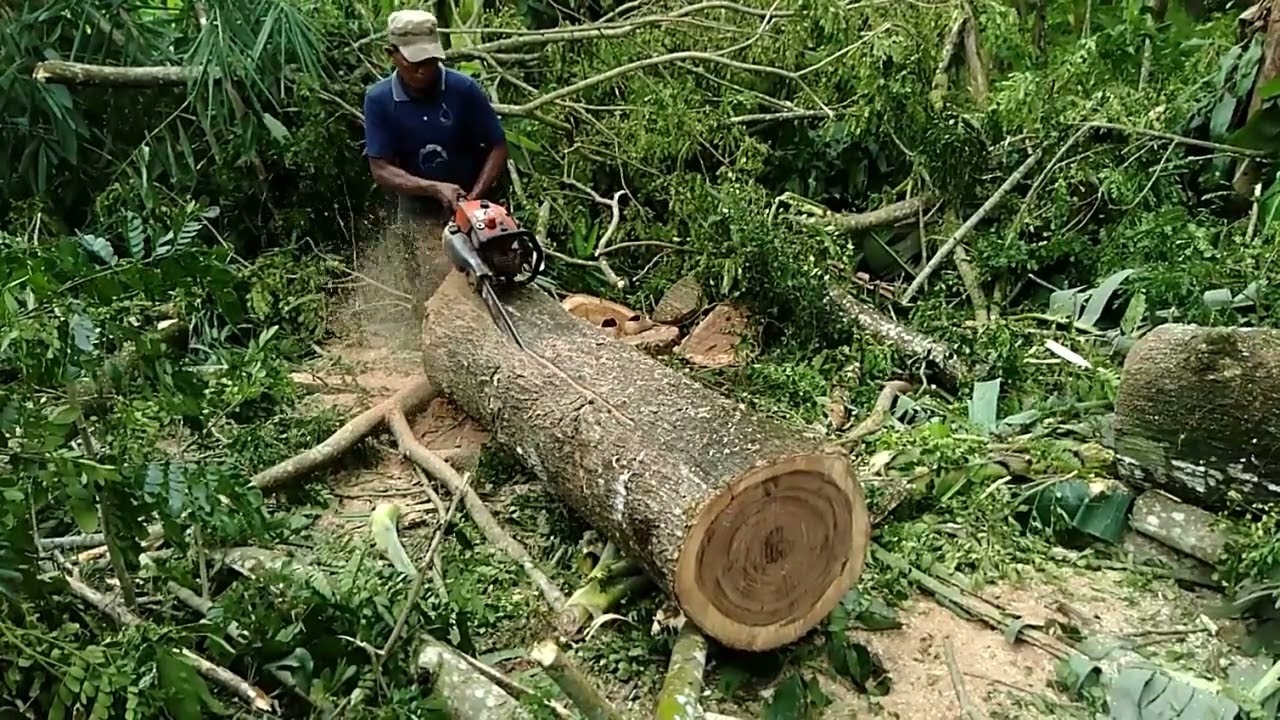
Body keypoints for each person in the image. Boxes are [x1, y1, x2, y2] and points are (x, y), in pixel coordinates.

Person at [362, 9, 509, 305]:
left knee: (497, 276)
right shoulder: (379, 100)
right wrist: (432, 188)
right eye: (415, 62)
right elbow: (380, 168)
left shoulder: (462, 89)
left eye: (430, 61)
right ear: (391, 54)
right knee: (431, 289)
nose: (423, 70)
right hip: (419, 207)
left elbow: (498, 145)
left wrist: (472, 201)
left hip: (475, 197)